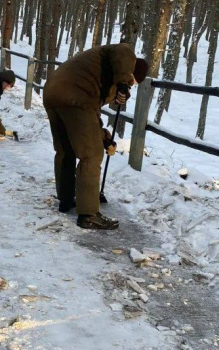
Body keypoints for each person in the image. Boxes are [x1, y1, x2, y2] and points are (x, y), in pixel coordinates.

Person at [42, 43, 149, 230]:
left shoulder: (96, 71)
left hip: (53, 93)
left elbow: (91, 115)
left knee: (65, 150)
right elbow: (123, 51)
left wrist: (104, 137)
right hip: (75, 97)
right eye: (132, 82)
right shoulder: (124, 56)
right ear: (131, 72)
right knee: (91, 155)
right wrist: (123, 82)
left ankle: (66, 200)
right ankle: (89, 214)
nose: (130, 86)